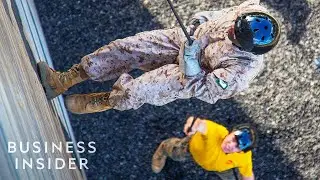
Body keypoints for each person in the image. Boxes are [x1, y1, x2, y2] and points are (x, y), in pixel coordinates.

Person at [37, 0, 281, 114]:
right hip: (186, 39)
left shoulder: (241, 71)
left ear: (248, 49)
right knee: (127, 48)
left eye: (235, 37)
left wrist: (191, 61)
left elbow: (203, 88)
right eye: (234, 27)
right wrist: (201, 20)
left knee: (140, 90)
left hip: (191, 74)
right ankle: (64, 79)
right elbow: (223, 13)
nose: (230, 32)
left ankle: (107, 101)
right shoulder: (252, 12)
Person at [151, 117, 257, 180]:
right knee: (175, 152)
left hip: (220, 167)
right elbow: (200, 123)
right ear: (232, 131)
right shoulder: (216, 131)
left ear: (241, 152)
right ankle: (163, 149)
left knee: (233, 177)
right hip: (190, 149)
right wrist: (192, 125)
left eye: (237, 146)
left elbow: (248, 174)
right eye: (234, 138)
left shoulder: (244, 158)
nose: (231, 145)